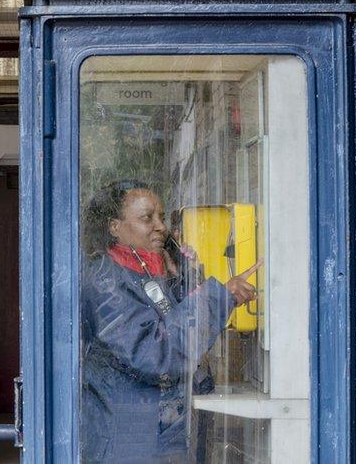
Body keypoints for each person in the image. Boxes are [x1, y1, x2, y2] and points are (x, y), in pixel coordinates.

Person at [80, 180, 258, 463]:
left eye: (161, 217)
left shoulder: (146, 269)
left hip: (159, 434)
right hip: (128, 441)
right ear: (115, 227)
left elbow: (176, 325)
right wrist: (220, 298)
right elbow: (155, 354)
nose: (160, 226)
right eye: (146, 218)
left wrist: (183, 275)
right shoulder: (107, 282)